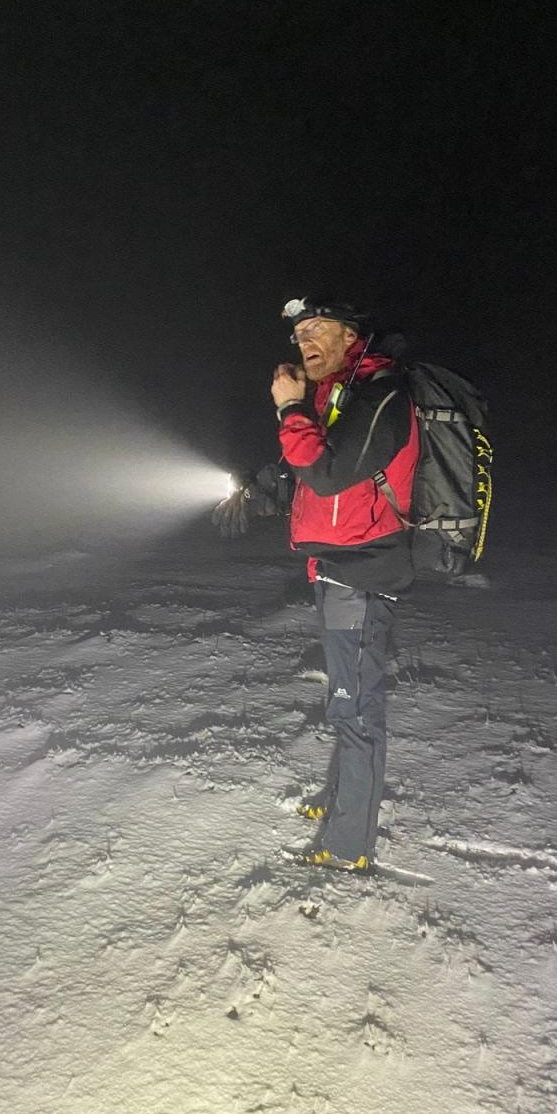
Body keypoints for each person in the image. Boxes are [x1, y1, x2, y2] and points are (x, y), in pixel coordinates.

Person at [215, 297, 419, 871]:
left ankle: (349, 845)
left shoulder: (384, 393)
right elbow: (307, 482)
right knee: (345, 697)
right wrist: (257, 489)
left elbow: (329, 474)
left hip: (364, 571)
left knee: (357, 708)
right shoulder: (337, 399)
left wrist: (290, 409)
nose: (304, 339)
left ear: (351, 333)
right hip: (335, 569)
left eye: (317, 327)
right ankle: (340, 802)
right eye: (299, 332)